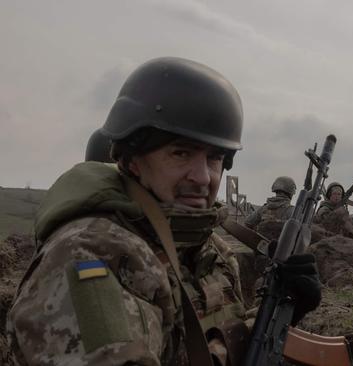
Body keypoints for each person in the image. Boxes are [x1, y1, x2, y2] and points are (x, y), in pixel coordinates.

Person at [7, 57, 321, 366]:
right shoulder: (89, 255)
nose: (202, 177)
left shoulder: (211, 253)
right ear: (131, 160)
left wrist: (280, 311)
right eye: (180, 153)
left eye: (214, 158)